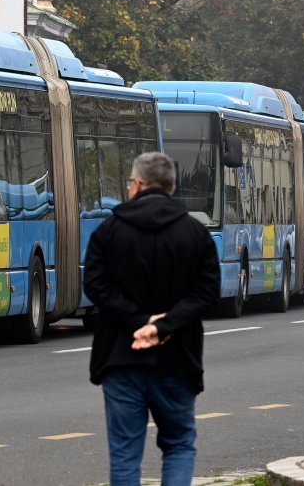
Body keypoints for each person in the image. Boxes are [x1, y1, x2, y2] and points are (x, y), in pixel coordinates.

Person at [83, 152, 220, 486]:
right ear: (171, 187)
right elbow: (207, 292)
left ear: (137, 185)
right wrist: (162, 327)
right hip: (178, 361)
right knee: (178, 445)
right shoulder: (196, 233)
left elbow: (96, 285)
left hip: (121, 358)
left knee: (125, 455)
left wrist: (140, 322)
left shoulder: (109, 231)